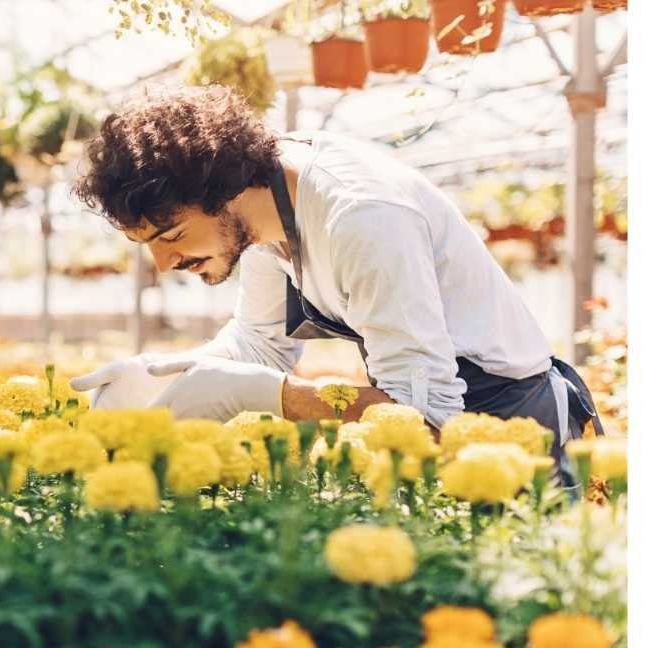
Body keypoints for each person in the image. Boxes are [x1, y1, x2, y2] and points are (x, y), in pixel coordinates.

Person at [69, 85, 600, 472]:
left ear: (224, 193)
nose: (164, 265)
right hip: (431, 419)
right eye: (147, 246)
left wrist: (267, 396)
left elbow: (427, 417)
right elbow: (260, 344)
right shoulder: (262, 209)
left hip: (510, 420)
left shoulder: (362, 217)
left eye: (171, 234)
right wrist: (172, 373)